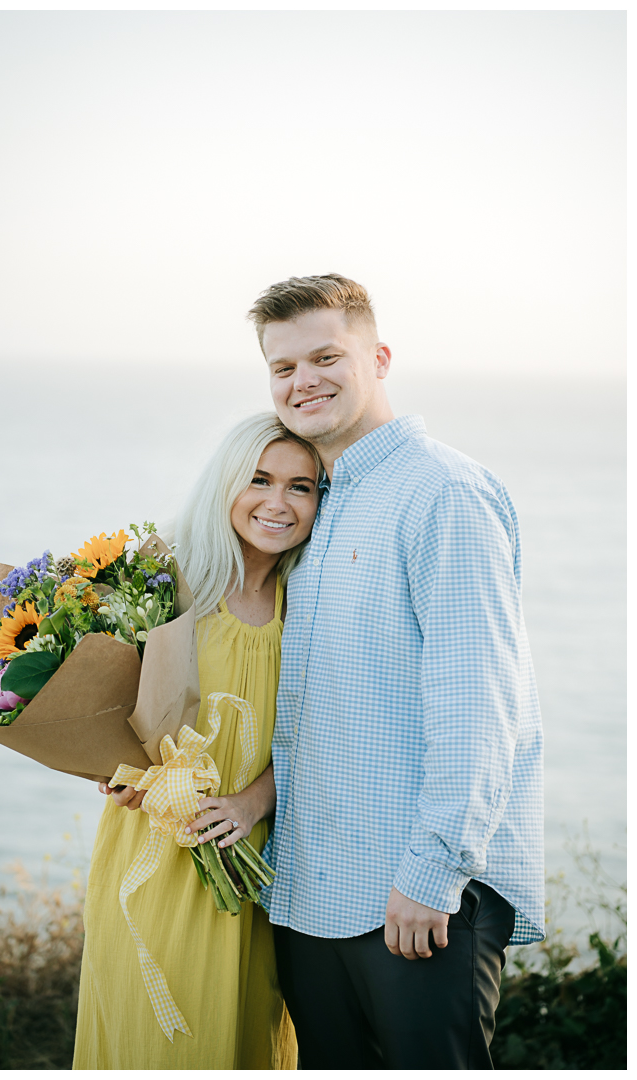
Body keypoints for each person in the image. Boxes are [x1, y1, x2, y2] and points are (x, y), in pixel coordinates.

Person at [247, 274, 545, 1070]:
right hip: (312, 894)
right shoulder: (317, 502)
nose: (302, 380)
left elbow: (480, 706)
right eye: (283, 368)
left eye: (324, 357)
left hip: (414, 896)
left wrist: (433, 871)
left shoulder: (442, 493)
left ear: (377, 358)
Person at [72, 413, 321, 1070]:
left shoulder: (312, 600)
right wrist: (113, 770)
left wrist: (251, 804)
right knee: (156, 1040)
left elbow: (325, 734)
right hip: (154, 849)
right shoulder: (167, 578)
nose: (278, 502)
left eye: (302, 487)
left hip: (255, 858)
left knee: (244, 1036)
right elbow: (106, 708)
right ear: (226, 482)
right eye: (260, 479)